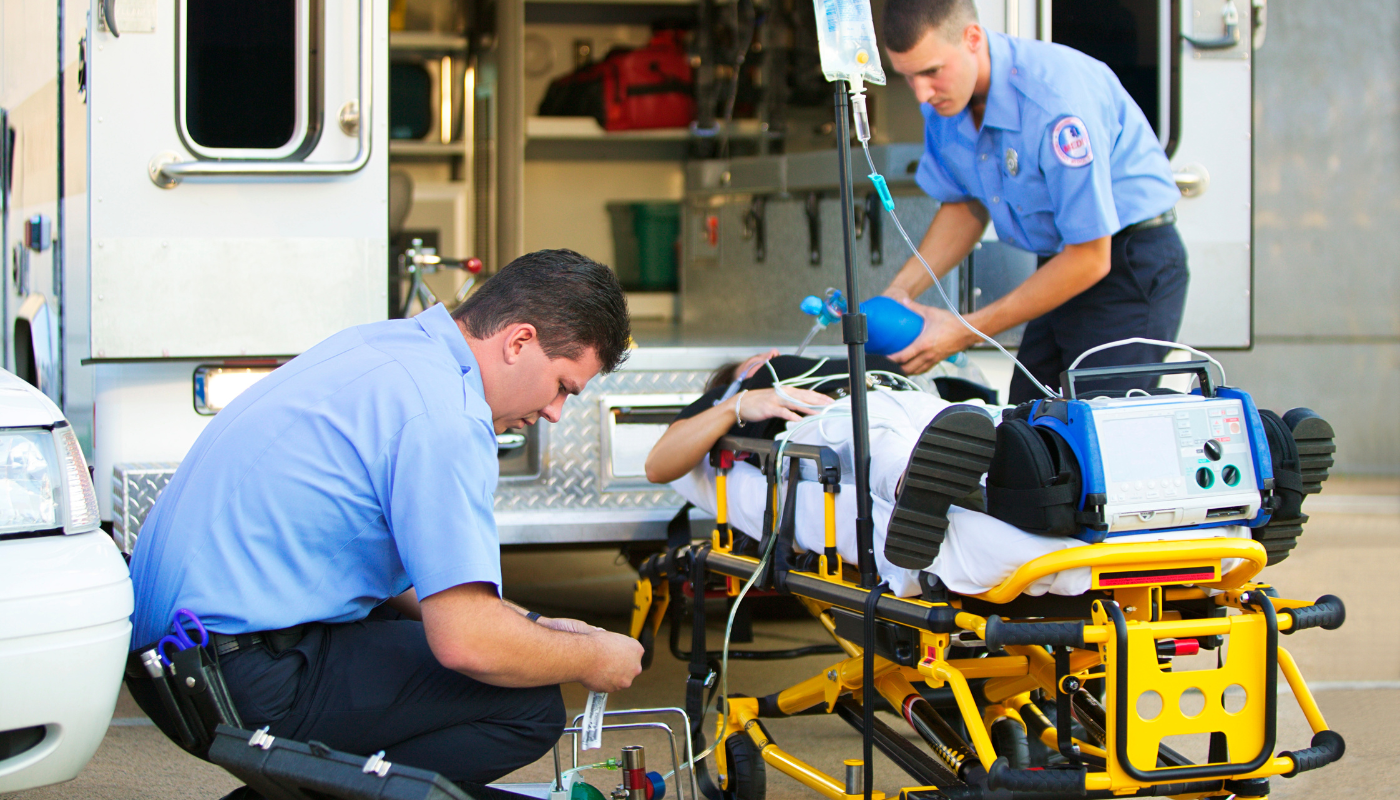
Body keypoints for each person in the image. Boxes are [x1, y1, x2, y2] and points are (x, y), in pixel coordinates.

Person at [126, 250, 644, 788]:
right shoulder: (444, 415)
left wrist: (535, 628)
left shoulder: (381, 347)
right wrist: (590, 657)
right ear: (518, 342)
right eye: (563, 385)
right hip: (238, 678)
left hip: (169, 665)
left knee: (441, 638)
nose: (556, 412)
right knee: (527, 704)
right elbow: (468, 642)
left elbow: (421, 587)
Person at [878, 0, 1187, 403]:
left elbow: (1092, 257)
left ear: (973, 38)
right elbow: (967, 206)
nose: (921, 92)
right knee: (1026, 425)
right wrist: (898, 293)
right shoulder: (946, 102)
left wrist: (963, 330)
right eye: (907, 76)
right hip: (1063, 264)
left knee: (1090, 429)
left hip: (1127, 262)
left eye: (931, 71)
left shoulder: (1055, 101)